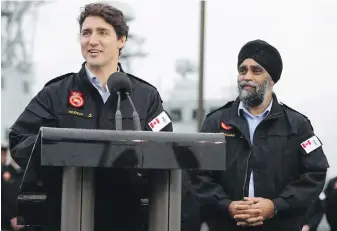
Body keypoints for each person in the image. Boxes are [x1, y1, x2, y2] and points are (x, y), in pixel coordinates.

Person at [8, 3, 172, 231]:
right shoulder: (55, 93)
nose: (92, 41)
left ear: (121, 40)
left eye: (102, 32)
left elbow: (169, 152)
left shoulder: (146, 97)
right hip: (64, 215)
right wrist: (62, 157)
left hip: (127, 218)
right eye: (86, 33)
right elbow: (19, 138)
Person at [190, 39, 329, 231]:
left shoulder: (297, 125)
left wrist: (275, 206)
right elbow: (197, 173)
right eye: (242, 70)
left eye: (256, 71)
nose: (247, 77)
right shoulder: (215, 123)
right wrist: (227, 205)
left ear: (272, 79)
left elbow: (315, 174)